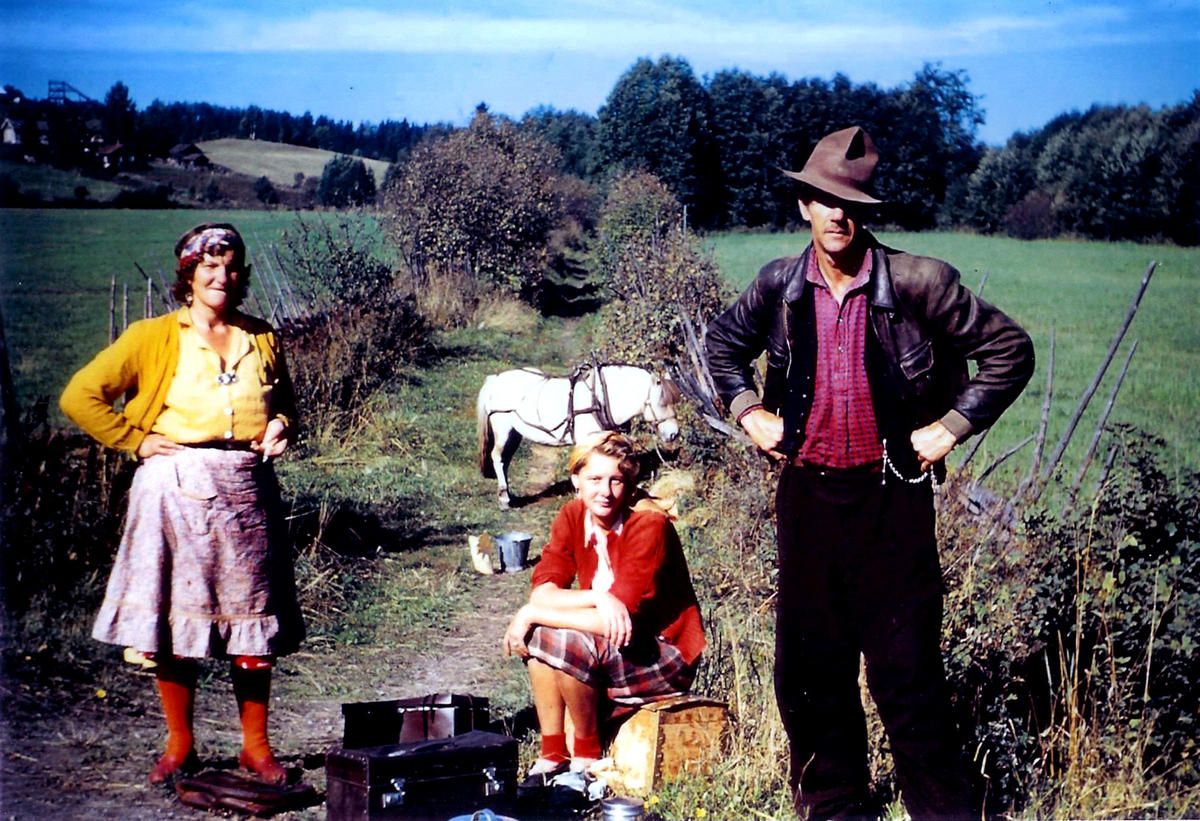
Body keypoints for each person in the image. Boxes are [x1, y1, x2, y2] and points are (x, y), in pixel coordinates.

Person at [705, 127, 1035, 820]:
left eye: (851, 202)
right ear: (804, 205)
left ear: (866, 210)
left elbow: (1010, 350)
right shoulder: (779, 284)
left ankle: (943, 811)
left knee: (906, 673)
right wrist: (747, 410)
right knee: (810, 671)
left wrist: (949, 427)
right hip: (807, 496)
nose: (838, 214)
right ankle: (834, 806)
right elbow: (723, 345)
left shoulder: (919, 282)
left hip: (893, 498)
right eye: (825, 200)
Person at [60, 223, 303, 785]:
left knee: (252, 623)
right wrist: (134, 439)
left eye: (232, 267)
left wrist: (282, 425)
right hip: (173, 492)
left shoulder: (262, 336)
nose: (223, 277)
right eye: (210, 267)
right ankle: (180, 747)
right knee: (175, 627)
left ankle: (256, 749)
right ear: (189, 276)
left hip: (246, 492)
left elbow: (285, 403)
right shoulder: (153, 336)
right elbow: (80, 395)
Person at [502, 431, 706, 777]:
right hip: (615, 643)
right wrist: (596, 597)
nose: (605, 491)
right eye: (594, 479)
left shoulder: (648, 523)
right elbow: (543, 591)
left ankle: (586, 753)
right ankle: (552, 753)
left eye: (616, 480)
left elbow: (616, 619)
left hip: (662, 652)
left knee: (564, 640)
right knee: (540, 635)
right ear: (576, 480)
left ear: (629, 484)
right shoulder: (572, 516)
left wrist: (533, 613)